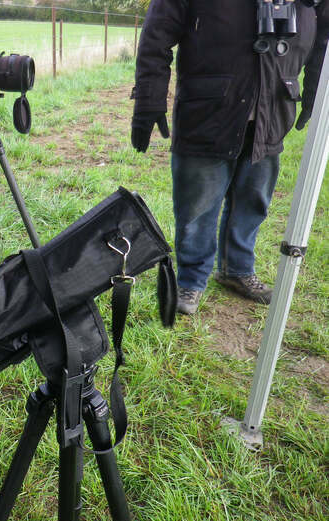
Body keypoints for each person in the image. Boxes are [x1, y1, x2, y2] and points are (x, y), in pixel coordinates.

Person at [131, 0, 329, 315]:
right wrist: (148, 100)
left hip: (273, 113)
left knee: (253, 201)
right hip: (207, 111)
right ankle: (191, 280)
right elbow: (157, 34)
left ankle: (236, 269)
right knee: (197, 208)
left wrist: (316, 94)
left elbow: (324, 38)